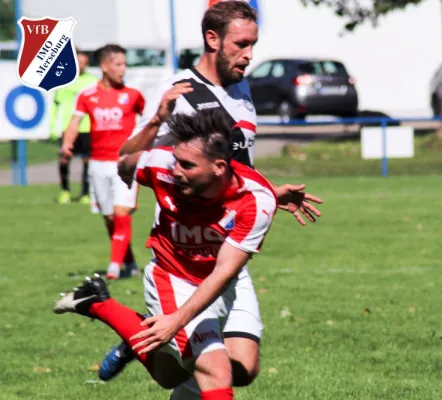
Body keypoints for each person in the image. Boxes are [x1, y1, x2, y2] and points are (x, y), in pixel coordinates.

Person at [97, 2, 322, 398]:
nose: (250, 54)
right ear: (212, 39)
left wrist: (269, 191)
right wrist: (154, 121)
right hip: (185, 249)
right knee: (210, 371)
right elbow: (127, 163)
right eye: (241, 44)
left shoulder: (242, 87)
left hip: (227, 247)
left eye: (253, 44)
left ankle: (148, 335)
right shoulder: (178, 91)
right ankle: (142, 331)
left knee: (244, 368)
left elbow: (231, 166)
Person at [54, 108, 279, 400]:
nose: (176, 170)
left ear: (220, 167)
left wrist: (177, 321)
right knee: (215, 371)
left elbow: (225, 271)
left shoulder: (256, 200)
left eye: (187, 165)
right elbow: (126, 162)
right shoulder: (160, 163)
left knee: (238, 370)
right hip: (172, 278)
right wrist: (126, 173)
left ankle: (99, 303)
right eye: (176, 161)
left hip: (224, 280)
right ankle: (124, 318)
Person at [61, 44, 145, 280]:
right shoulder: (88, 95)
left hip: (125, 164)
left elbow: (149, 121)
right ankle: (129, 263)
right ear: (105, 67)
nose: (123, 69)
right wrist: (68, 143)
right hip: (98, 165)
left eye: (124, 64)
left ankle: (113, 268)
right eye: (118, 64)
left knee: (121, 213)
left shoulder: (133, 95)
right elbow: (75, 122)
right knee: (110, 217)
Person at [49, 49, 98, 204]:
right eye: (78, 62)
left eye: (83, 62)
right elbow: (56, 105)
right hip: (67, 127)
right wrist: (52, 127)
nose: (80, 65)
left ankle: (85, 193)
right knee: (64, 160)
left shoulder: (93, 81)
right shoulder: (63, 81)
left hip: (87, 128)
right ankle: (65, 191)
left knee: (87, 161)